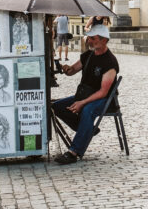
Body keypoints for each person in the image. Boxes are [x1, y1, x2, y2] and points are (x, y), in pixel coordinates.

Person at [51, 23, 119, 165]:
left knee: (87, 110)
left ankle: (73, 152)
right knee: (56, 106)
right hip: (85, 95)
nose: (89, 41)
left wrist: (82, 103)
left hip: (105, 100)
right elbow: (72, 70)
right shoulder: (88, 55)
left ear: (104, 40)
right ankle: (87, 129)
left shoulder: (110, 62)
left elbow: (103, 92)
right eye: (89, 38)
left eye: (93, 38)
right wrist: (66, 68)